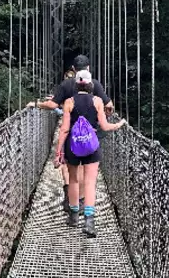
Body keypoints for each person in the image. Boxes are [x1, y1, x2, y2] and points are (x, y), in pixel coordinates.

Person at [35, 55, 115, 219]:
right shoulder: (96, 84)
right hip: (90, 135)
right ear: (88, 68)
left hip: (71, 134)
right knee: (88, 173)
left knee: (72, 172)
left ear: (73, 69)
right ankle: (85, 209)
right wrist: (104, 115)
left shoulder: (66, 84)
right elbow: (109, 106)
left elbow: (53, 106)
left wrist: (37, 104)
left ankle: (72, 206)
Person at [52, 69, 126, 237]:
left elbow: (64, 130)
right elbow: (106, 126)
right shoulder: (98, 101)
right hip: (91, 145)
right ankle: (89, 222)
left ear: (76, 84)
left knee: (73, 180)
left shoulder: (69, 102)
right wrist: (119, 124)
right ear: (91, 84)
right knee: (90, 182)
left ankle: (73, 217)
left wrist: (58, 152)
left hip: (73, 144)